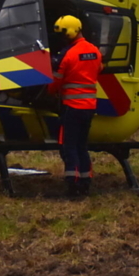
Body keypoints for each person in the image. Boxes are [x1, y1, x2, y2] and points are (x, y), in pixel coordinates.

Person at [46, 15, 102, 196]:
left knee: (68, 146)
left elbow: (55, 83)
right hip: (89, 107)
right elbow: (98, 69)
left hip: (72, 107)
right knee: (81, 145)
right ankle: (86, 181)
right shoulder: (95, 51)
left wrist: (48, 92)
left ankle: (73, 184)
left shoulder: (67, 55)